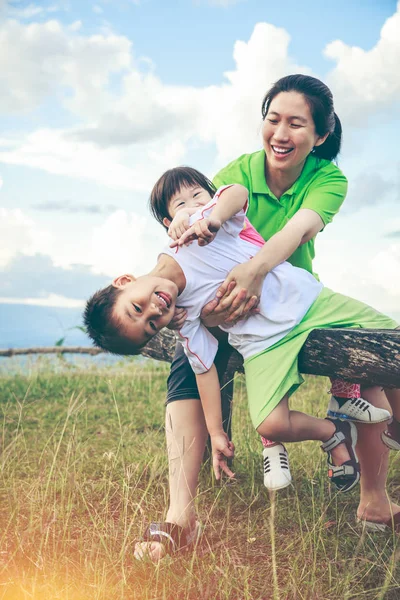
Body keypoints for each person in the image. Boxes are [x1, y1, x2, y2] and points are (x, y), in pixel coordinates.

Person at [84, 170, 400, 558]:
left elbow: (236, 195)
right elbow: (203, 369)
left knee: (388, 339)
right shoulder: (186, 316)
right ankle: (333, 431)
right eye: (150, 324)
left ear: (124, 280)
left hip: (309, 304)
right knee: (269, 423)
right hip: (265, 344)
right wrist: (216, 433)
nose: (155, 310)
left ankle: (394, 424)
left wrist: (209, 219)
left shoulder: (193, 235)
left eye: (138, 305)